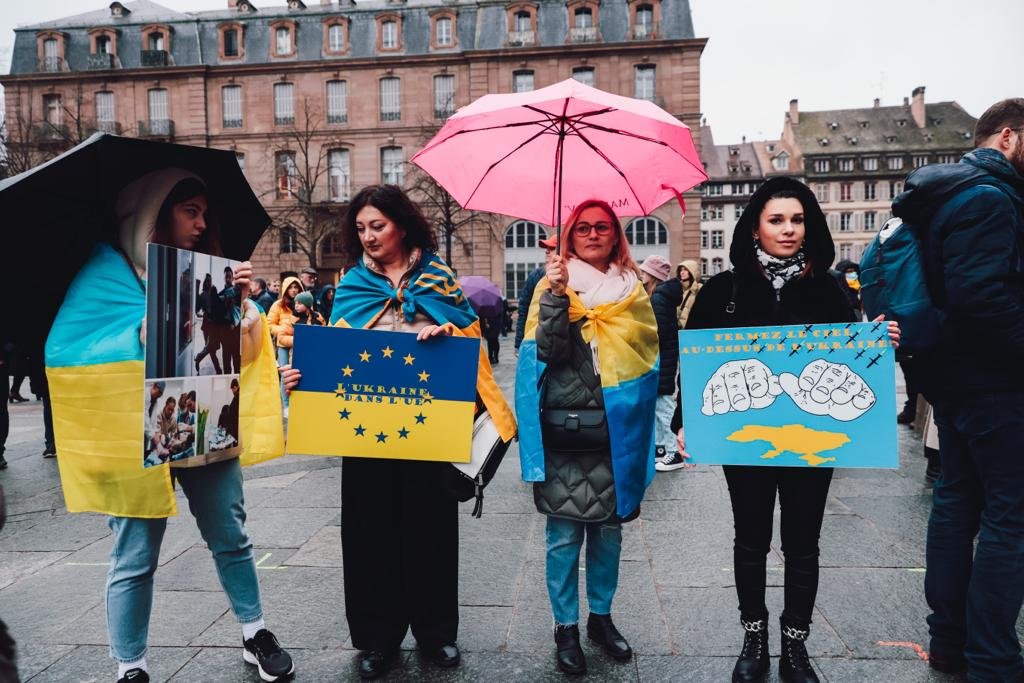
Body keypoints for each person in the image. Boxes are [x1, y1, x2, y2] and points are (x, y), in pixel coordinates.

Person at [44, 168, 291, 683]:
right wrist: (139, 333)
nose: (201, 223)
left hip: (204, 424)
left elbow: (242, 358)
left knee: (232, 535)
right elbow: (68, 351)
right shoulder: (105, 276)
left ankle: (255, 632)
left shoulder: (215, 275)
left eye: (204, 212)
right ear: (153, 215)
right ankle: (130, 664)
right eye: (189, 211)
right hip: (133, 435)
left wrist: (242, 310)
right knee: (134, 554)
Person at [281, 184, 515, 680]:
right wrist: (300, 376)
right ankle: (377, 638)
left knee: (430, 530)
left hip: (428, 427)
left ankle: (436, 634)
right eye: (361, 228)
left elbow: (471, 336)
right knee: (369, 533)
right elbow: (332, 350)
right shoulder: (351, 285)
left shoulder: (437, 276)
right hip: (365, 432)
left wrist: (447, 333)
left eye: (378, 226)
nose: (368, 236)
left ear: (402, 224)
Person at [683, 177, 900, 683]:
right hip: (747, 443)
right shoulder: (723, 290)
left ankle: (795, 644)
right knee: (751, 539)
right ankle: (753, 637)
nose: (788, 229)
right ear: (755, 227)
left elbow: (854, 357)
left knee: (804, 542)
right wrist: (686, 422)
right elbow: (693, 366)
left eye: (797, 219)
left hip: (812, 442)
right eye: (776, 219)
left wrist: (879, 341)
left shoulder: (827, 288)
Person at [892, 98, 1024, 682]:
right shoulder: (989, 197)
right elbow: (982, 297)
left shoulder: (943, 195)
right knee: (1009, 517)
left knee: (956, 503)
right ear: (1009, 138)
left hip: (953, 377)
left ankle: (948, 641)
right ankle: (993, 657)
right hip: (997, 380)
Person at [515, 199, 659, 676]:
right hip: (567, 430)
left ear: (616, 235)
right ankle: (566, 627)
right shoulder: (549, 287)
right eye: (583, 228)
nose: (594, 234)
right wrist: (557, 296)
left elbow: (647, 362)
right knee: (561, 536)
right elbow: (545, 354)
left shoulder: (632, 291)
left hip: (616, 432)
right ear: (570, 236)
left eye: (603, 227)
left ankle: (601, 617)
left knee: (609, 535)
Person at [514, 236, 557, 353]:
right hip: (535, 340)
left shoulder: (575, 276)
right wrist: (519, 343)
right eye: (546, 248)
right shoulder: (536, 276)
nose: (547, 251)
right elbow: (524, 310)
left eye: (552, 248)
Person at [267, 277, 303, 369]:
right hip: (283, 343)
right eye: (290, 287)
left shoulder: (304, 304)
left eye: (296, 287)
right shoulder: (278, 305)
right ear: (286, 289)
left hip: (299, 342)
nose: (293, 290)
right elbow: (269, 324)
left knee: (298, 372)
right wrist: (282, 330)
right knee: (285, 373)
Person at [193, 273, 222, 374]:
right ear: (205, 283)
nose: (208, 283)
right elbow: (197, 309)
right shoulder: (202, 295)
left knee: (211, 348)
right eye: (207, 281)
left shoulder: (214, 292)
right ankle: (218, 370)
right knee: (211, 348)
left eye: (210, 281)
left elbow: (218, 305)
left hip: (214, 324)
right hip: (207, 324)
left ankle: (198, 358)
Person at [675, 260, 703, 330]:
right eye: (681, 270)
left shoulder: (698, 289)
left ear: (692, 271)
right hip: (679, 330)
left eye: (686, 270)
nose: (682, 272)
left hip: (691, 331)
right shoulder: (678, 289)